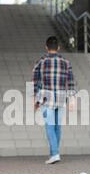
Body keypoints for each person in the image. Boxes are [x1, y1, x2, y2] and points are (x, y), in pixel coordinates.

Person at [32, 36, 75, 164]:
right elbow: (71, 82)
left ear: (46, 47)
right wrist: (71, 98)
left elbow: (35, 82)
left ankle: (55, 154)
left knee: (50, 126)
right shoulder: (66, 62)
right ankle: (54, 153)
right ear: (58, 48)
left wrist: (36, 100)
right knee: (57, 126)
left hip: (46, 98)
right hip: (61, 98)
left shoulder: (41, 62)